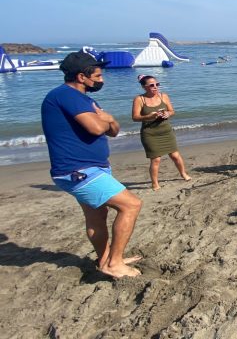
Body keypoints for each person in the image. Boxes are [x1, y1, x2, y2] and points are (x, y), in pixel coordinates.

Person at [41, 52, 143, 278]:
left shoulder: (85, 99)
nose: (101, 79)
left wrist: (109, 119)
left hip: (90, 168)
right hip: (77, 170)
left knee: (97, 215)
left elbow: (114, 130)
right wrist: (105, 119)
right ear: (81, 76)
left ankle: (105, 259)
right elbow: (97, 128)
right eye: (97, 75)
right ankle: (114, 264)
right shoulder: (65, 95)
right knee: (131, 205)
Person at [131, 75, 191, 190]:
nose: (155, 87)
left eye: (157, 84)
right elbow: (135, 117)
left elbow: (172, 110)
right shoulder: (139, 99)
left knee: (175, 155)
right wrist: (149, 116)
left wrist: (168, 114)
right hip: (149, 133)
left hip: (166, 130)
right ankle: (155, 183)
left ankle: (183, 173)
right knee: (156, 159)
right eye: (151, 85)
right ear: (144, 87)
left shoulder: (164, 96)